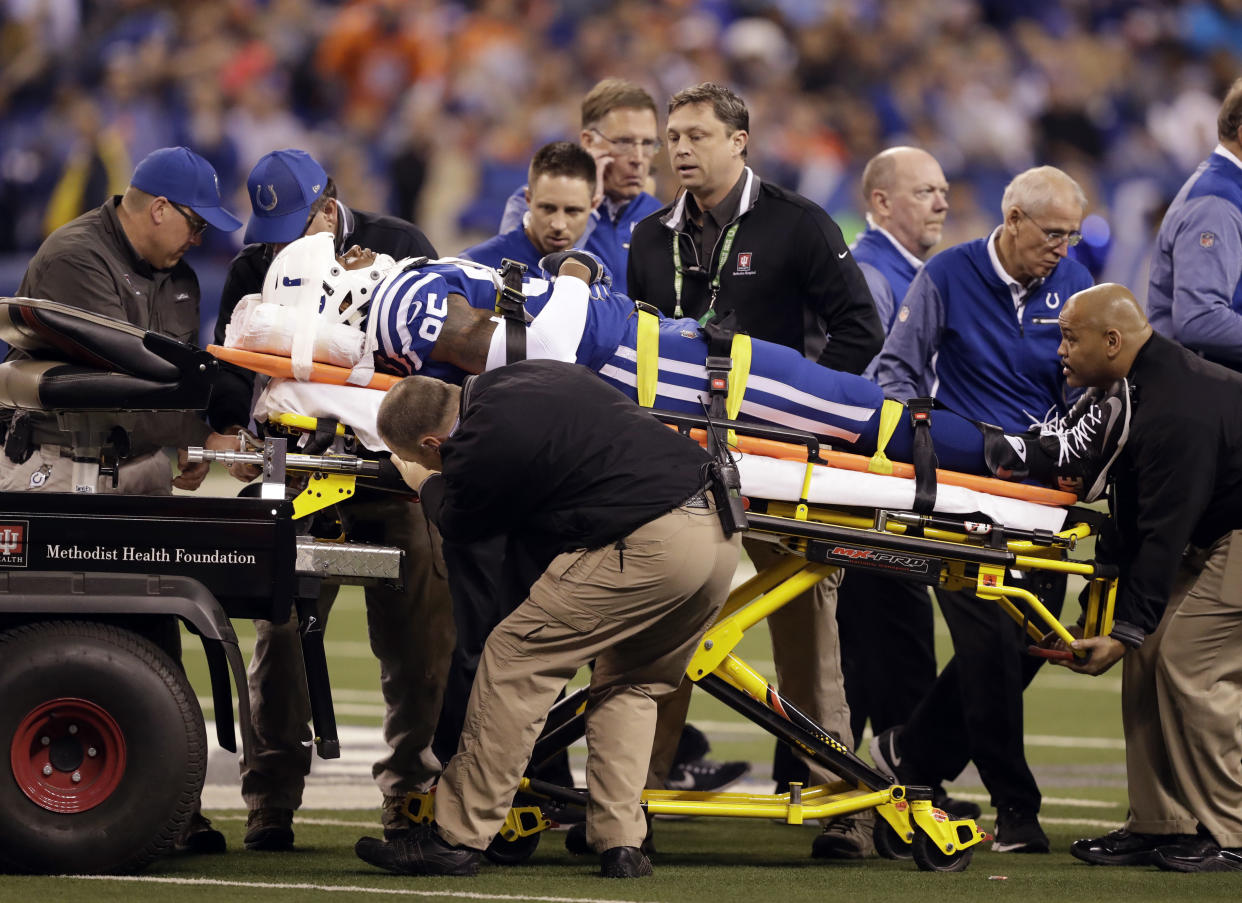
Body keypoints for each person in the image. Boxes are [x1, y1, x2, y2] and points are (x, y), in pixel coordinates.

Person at [354, 354, 742, 879]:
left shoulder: (475, 443)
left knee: (514, 658)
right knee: (631, 684)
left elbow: (464, 522)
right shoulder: (527, 374)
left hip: (653, 540)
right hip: (719, 532)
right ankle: (621, 843)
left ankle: (457, 835)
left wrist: (423, 482)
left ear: (430, 446)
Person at [625, 81, 882, 859]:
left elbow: (859, 329)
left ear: (741, 141)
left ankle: (842, 807)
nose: (679, 149)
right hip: (675, 460)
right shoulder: (646, 238)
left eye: (698, 135)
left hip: (774, 462)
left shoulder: (797, 222)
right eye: (674, 136)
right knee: (661, 624)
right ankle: (630, 797)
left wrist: (799, 411)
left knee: (805, 630)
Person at [0, 145, 250, 852]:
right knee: (50, 643)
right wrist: (200, 432)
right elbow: (120, 380)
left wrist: (190, 441)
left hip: (136, 468)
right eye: (196, 225)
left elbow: (180, 374)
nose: (201, 240)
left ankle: (164, 806)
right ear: (159, 209)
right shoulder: (74, 258)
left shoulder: (179, 275)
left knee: (151, 639)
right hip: (56, 463)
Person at [217, 148, 454, 854]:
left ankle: (412, 791)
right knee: (278, 633)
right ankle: (269, 799)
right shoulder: (254, 264)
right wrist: (228, 428)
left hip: (392, 471)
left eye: (297, 228)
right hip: (296, 467)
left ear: (328, 207)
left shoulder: (404, 246)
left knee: (423, 635)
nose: (284, 247)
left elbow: (437, 366)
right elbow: (233, 375)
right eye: (274, 236)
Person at [870, 165, 1095, 853]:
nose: (1063, 246)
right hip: (966, 495)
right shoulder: (947, 275)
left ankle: (910, 757)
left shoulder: (1078, 285)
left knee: (1028, 643)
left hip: (1044, 494)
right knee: (990, 638)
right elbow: (895, 370)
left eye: (1073, 234)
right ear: (1014, 218)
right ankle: (1017, 807)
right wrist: (930, 437)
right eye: (1053, 232)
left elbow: (1089, 382)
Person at [1052, 284, 1242, 874]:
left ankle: (1232, 830)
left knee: (1188, 661)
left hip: (1232, 534)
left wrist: (1124, 627)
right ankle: (1161, 823)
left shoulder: (1173, 406)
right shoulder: (1138, 389)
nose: (1059, 348)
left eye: (1069, 336)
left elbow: (1163, 530)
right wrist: (1110, 618)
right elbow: (1131, 515)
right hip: (1213, 531)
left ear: (1112, 342)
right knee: (1147, 650)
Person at [835, 148, 953, 800]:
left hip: (885, 476)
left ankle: (890, 777)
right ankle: (883, 782)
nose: (942, 201)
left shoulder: (907, 271)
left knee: (884, 631)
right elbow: (872, 388)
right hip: (874, 476)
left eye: (942, 190)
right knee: (877, 631)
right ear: (881, 202)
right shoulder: (874, 276)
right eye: (925, 190)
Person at [498, 78, 663, 295]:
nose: (638, 158)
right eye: (624, 142)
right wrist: (588, 202)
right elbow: (520, 284)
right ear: (588, 141)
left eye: (648, 144)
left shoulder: (657, 216)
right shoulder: (534, 205)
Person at [461, 141, 598, 273]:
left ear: (593, 205)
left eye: (572, 211)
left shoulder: (601, 278)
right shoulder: (474, 268)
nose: (558, 225)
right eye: (547, 208)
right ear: (528, 199)